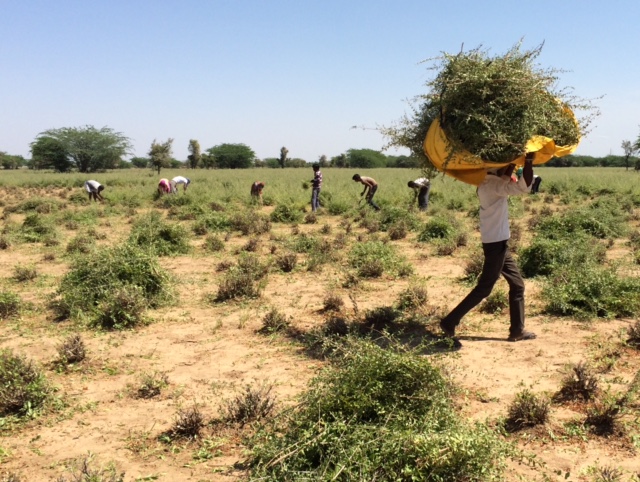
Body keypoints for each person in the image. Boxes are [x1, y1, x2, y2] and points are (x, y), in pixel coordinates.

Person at [440, 153, 537, 344]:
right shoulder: (494, 185)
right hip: (496, 244)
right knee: (484, 288)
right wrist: (528, 161)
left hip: (498, 242)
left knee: (517, 285)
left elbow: (505, 177)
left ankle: (517, 330)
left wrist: (511, 162)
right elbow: (525, 186)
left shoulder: (487, 182)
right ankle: (449, 322)